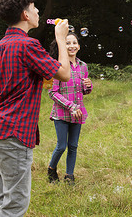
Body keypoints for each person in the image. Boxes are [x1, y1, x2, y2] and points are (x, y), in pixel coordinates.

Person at [0, 0, 72, 216]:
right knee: (15, 203)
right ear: (25, 15)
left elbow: (5, 87)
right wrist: (61, 38)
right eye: (34, 7)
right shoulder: (27, 45)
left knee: (4, 197)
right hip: (13, 133)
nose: (38, 10)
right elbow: (63, 74)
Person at [47, 31, 93, 185]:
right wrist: (71, 106)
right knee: (61, 146)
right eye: (67, 43)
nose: (71, 46)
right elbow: (53, 92)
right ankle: (51, 169)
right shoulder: (58, 66)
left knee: (73, 146)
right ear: (62, 46)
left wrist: (88, 86)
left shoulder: (83, 66)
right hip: (61, 114)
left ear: (78, 46)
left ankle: (69, 176)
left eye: (74, 43)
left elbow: (83, 92)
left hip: (77, 114)